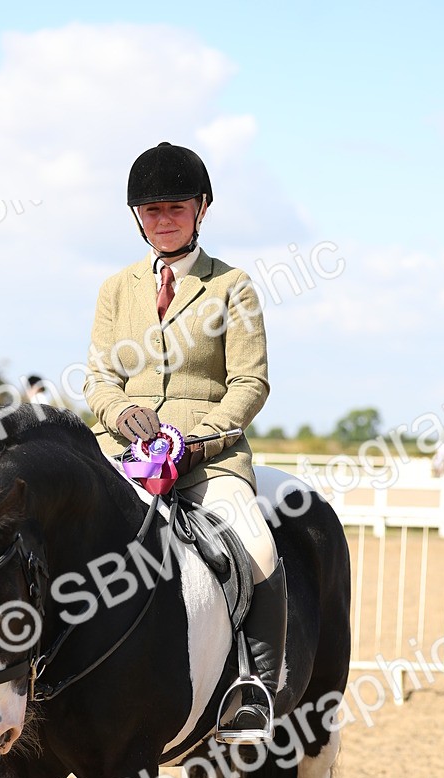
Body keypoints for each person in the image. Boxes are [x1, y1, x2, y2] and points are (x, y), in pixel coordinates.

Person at [84, 141, 286, 742]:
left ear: (201, 208)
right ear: (136, 217)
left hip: (208, 460)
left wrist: (196, 441)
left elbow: (250, 382)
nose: (163, 219)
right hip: (123, 456)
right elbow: (98, 378)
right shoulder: (116, 289)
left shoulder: (232, 287)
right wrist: (123, 416)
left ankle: (253, 686)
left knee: (258, 549)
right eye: (151, 210)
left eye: (175, 207)